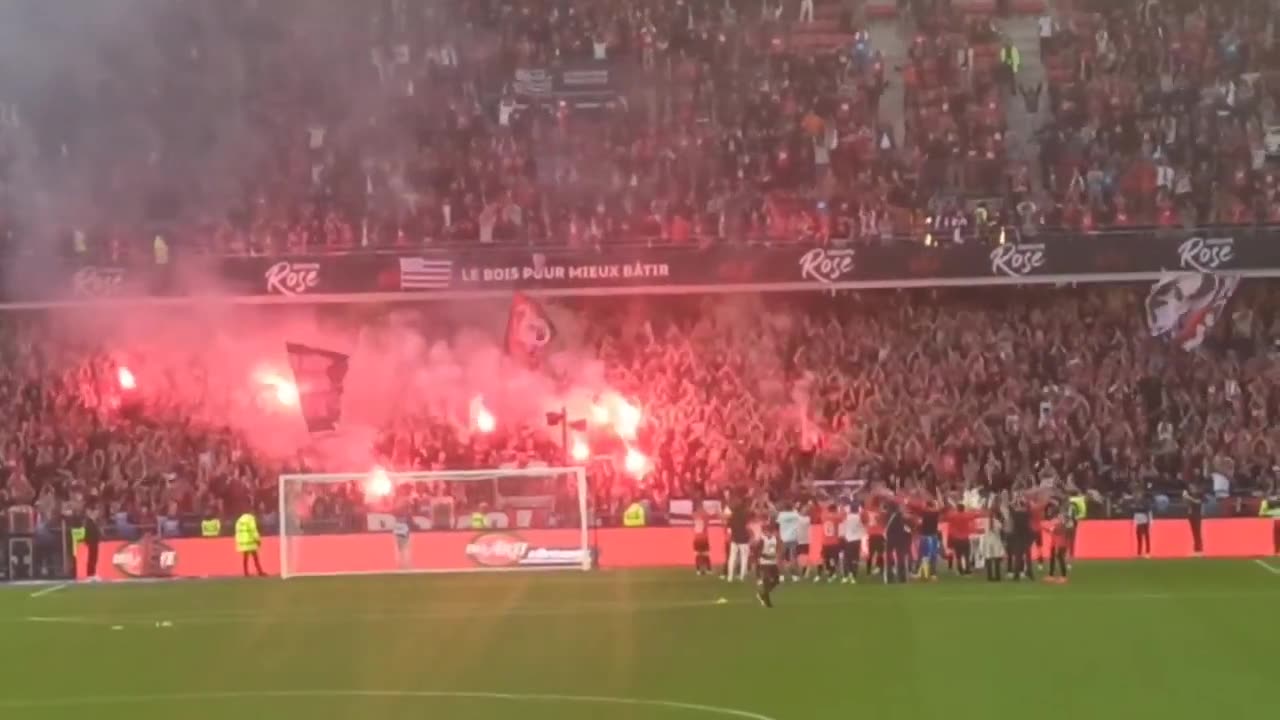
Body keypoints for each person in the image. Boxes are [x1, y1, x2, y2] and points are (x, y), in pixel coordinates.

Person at [725, 495, 752, 582]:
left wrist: (729, 537)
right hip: (744, 539)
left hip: (734, 539)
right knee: (744, 558)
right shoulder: (745, 516)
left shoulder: (731, 517)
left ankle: (730, 577)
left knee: (732, 558)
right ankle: (742, 576)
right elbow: (747, 527)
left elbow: (728, 529)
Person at [1046, 499, 1074, 583]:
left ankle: (1063, 576)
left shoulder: (1062, 522)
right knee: (1054, 557)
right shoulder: (1060, 520)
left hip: (1060, 542)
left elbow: (1054, 529)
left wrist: (1046, 528)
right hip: (1056, 542)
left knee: (1059, 557)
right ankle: (1052, 575)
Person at [756, 523, 782, 608]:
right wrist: (766, 556)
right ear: (764, 532)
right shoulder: (762, 540)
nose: (769, 533)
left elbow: (777, 548)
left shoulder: (775, 539)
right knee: (766, 582)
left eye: (771, 531)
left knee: (776, 581)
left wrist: (777, 556)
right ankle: (768, 602)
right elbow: (758, 552)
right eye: (767, 531)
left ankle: (762, 595)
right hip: (764, 563)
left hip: (773, 563)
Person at [775, 501, 803, 581]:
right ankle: (795, 576)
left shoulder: (781, 515)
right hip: (793, 538)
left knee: (780, 557)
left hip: (783, 539)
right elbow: (799, 518)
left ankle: (781, 576)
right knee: (793, 558)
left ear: (784, 507)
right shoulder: (795, 514)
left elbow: (777, 524)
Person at [817, 502, 844, 582]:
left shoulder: (824, 516)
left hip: (825, 542)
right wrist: (841, 508)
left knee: (826, 558)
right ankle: (833, 573)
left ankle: (830, 572)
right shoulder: (836, 517)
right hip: (834, 542)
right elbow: (842, 517)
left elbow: (822, 513)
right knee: (834, 559)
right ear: (835, 510)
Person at [840, 499, 866, 584]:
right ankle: (853, 576)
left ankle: (845, 576)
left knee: (847, 559)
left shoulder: (846, 517)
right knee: (855, 559)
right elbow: (863, 529)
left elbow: (842, 528)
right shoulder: (859, 518)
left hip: (848, 540)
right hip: (856, 541)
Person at [915, 499, 941, 581]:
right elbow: (940, 507)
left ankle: (917, 573)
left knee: (921, 554)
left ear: (926, 505)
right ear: (933, 505)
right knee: (933, 555)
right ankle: (933, 574)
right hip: (933, 536)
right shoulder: (936, 513)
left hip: (924, 536)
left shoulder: (924, 513)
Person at [235, 509, 266, 577]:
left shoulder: (239, 520)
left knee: (245, 558)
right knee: (255, 558)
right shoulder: (250, 519)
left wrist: (239, 542)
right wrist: (258, 539)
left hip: (243, 543)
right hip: (251, 542)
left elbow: (237, 532)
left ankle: (246, 572)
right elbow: (253, 530)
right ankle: (260, 571)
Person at [981, 507, 1006, 582]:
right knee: (996, 559)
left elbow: (982, 530)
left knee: (989, 559)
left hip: (988, 541)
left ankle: (990, 576)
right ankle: (997, 576)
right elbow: (1001, 530)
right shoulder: (997, 522)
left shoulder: (985, 522)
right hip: (995, 541)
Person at [692, 503, 712, 575]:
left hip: (697, 538)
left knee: (698, 555)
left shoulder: (695, 515)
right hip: (703, 538)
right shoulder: (704, 516)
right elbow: (708, 519)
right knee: (705, 554)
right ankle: (708, 570)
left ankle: (699, 570)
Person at [1183, 485, 1203, 556]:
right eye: (1190, 488)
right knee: (1194, 533)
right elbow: (1186, 504)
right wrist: (1184, 497)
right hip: (1191, 516)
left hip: (1197, 516)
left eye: (1192, 488)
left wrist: (1188, 497)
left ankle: (1200, 550)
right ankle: (1196, 549)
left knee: (1198, 532)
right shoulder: (1190, 496)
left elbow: (1197, 502)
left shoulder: (1199, 495)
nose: (1191, 489)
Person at [1133, 491, 1153, 558]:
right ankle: (1139, 553)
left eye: (1139, 494)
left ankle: (1147, 552)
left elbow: (1149, 512)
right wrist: (1135, 521)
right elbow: (1135, 513)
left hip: (1145, 521)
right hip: (1139, 522)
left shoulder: (1146, 502)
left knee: (1146, 537)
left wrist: (1150, 521)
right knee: (1139, 537)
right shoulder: (1136, 503)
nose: (1138, 495)